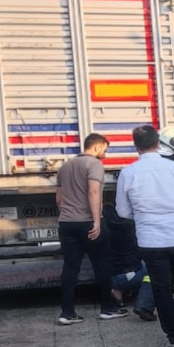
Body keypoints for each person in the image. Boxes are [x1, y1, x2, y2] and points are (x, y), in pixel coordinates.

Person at [116, 125, 174, 347]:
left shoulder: (128, 173)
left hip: (151, 240)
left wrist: (145, 214)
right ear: (158, 143)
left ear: (136, 147)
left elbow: (123, 212)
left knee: (162, 289)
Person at [55, 133, 126, 325]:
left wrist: (69, 216)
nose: (105, 153)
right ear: (96, 147)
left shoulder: (65, 166)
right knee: (102, 265)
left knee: (70, 267)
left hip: (67, 224)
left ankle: (67, 312)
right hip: (88, 223)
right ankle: (108, 308)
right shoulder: (94, 164)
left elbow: (59, 200)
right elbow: (93, 192)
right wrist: (96, 221)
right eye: (104, 149)